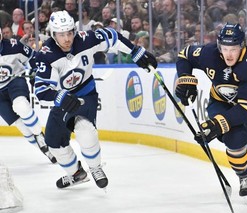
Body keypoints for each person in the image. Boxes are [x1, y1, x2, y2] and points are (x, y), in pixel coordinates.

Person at [33, 10, 157, 189]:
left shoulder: (86, 39)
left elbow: (112, 36)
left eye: (69, 33)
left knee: (85, 130)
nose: (67, 38)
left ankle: (95, 167)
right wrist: (60, 97)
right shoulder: (46, 55)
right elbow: (42, 90)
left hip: (86, 93)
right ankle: (77, 174)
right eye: (61, 35)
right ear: (53, 34)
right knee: (53, 142)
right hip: (63, 100)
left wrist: (135, 52)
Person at [174, 23, 247, 200]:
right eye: (225, 48)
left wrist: (217, 124)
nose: (228, 54)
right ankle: (244, 176)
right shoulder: (208, 53)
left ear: (242, 46)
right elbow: (184, 55)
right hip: (220, 103)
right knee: (235, 138)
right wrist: (185, 79)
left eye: (233, 49)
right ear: (219, 46)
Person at [0, 28, 56, 164]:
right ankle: (46, 151)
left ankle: (38, 134)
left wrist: (34, 73)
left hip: (15, 82)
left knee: (21, 106)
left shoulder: (13, 45)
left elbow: (32, 57)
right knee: (21, 126)